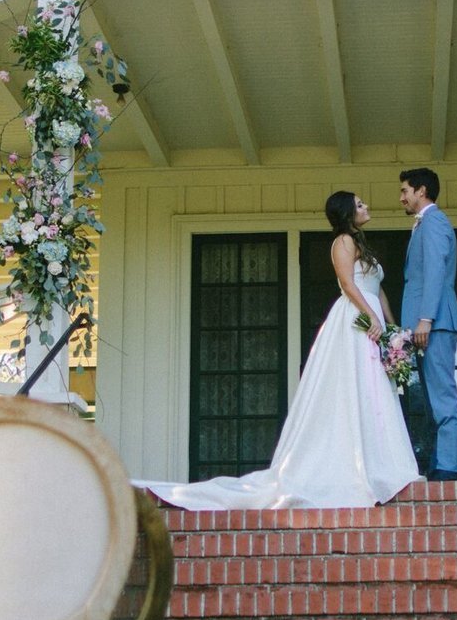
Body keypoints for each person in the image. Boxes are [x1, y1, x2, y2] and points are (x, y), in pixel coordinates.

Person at [140, 190, 420, 510]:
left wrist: (392, 328)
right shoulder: (342, 242)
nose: (366, 206)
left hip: (374, 323)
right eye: (359, 204)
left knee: (374, 392)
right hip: (355, 321)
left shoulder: (363, 245)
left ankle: (381, 463)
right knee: (354, 388)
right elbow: (347, 283)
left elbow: (378, 289)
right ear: (346, 213)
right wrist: (369, 317)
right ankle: (352, 466)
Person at [397, 167, 457, 481]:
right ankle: (441, 465)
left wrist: (425, 319)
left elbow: (436, 270)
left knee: (442, 394)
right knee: (433, 396)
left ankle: (449, 469)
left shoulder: (434, 221)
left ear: (421, 191)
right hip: (426, 325)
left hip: (435, 323)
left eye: (405, 191)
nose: (402, 198)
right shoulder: (422, 224)